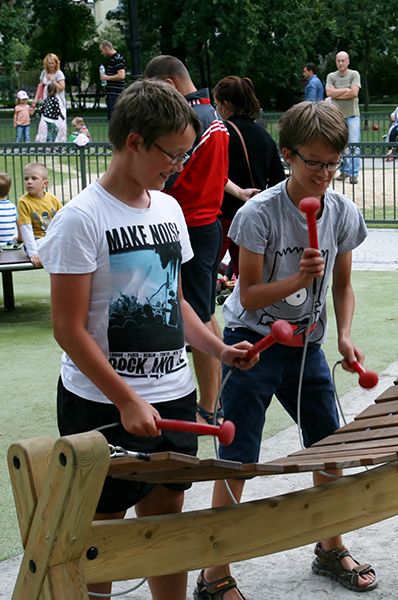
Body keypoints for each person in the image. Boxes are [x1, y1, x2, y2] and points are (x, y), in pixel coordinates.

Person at [36, 79, 257, 600]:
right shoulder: (80, 220)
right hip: (101, 405)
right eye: (171, 154)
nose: (178, 166)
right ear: (134, 141)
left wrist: (218, 349)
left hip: (171, 395)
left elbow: (171, 302)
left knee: (166, 525)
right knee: (104, 533)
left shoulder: (168, 210)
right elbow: (67, 329)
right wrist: (125, 397)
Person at [196, 100, 377, 600]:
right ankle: (214, 573)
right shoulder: (258, 214)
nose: (323, 174)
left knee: (329, 448)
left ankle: (329, 546)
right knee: (238, 461)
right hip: (250, 344)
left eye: (332, 163)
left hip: (308, 347)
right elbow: (249, 293)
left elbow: (342, 286)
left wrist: (343, 335)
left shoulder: (341, 211)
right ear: (287, 155)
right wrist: (297, 278)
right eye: (313, 162)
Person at [144, 55, 258, 427]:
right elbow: (216, 171)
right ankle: (215, 399)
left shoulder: (190, 121)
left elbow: (171, 173)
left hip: (189, 225)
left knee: (196, 315)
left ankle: (210, 405)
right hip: (205, 225)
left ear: (170, 82)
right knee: (203, 310)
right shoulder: (216, 120)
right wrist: (237, 191)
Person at [213, 75, 286, 278]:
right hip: (254, 216)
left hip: (224, 215)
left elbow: (214, 173)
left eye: (217, 103)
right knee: (249, 278)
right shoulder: (265, 137)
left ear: (226, 104)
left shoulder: (221, 133)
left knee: (206, 274)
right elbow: (278, 179)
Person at [326, 51, 361, 184]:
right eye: (338, 61)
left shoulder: (354, 74)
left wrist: (337, 93)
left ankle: (353, 173)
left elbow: (354, 93)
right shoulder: (331, 76)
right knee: (340, 144)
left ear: (348, 61)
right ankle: (344, 171)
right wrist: (345, 90)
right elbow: (329, 92)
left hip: (352, 115)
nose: (341, 63)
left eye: (343, 60)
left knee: (353, 144)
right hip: (337, 116)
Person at [17, 162, 62, 266]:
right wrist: (34, 253)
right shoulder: (24, 202)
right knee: (46, 244)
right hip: (36, 240)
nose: (29, 182)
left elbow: (63, 220)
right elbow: (26, 229)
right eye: (26, 179)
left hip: (52, 238)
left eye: (34, 178)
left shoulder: (53, 199)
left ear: (45, 184)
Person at [32, 53, 67, 142]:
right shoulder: (44, 72)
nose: (51, 65)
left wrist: (53, 80)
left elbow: (62, 88)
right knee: (44, 123)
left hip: (58, 102)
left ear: (56, 63)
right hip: (47, 102)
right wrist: (35, 100)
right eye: (49, 63)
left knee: (58, 124)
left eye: (52, 63)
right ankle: (44, 143)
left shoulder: (59, 73)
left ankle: (58, 143)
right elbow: (40, 86)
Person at [99, 40, 126, 120]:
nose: (102, 53)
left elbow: (121, 76)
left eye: (102, 51)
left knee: (115, 117)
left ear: (106, 48)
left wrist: (106, 77)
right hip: (111, 92)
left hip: (116, 93)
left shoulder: (117, 58)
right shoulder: (112, 59)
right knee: (111, 117)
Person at [0, 173, 18, 245]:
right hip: (9, 243)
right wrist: (20, 238)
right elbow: (20, 225)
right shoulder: (12, 206)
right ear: (9, 190)